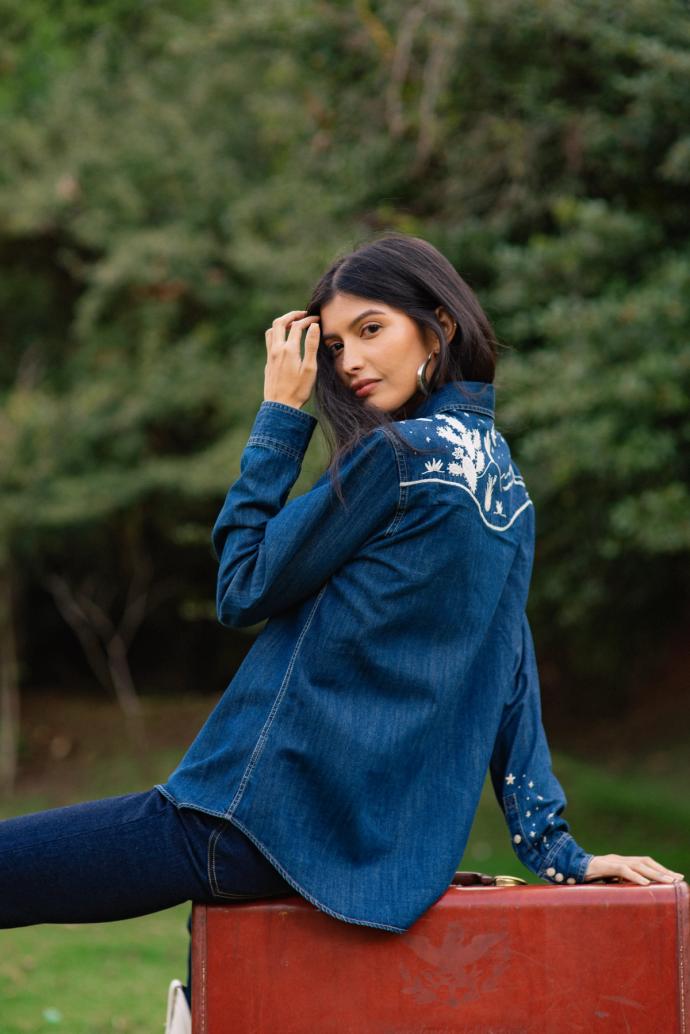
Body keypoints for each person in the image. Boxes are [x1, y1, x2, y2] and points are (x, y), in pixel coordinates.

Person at [0, 233, 682, 1034]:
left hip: (252, 816)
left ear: (440, 326)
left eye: (371, 329)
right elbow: (511, 667)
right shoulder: (503, 482)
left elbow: (241, 587)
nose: (348, 362)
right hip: (362, 851)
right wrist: (556, 849)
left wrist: (278, 419)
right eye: (331, 346)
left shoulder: (398, 459)